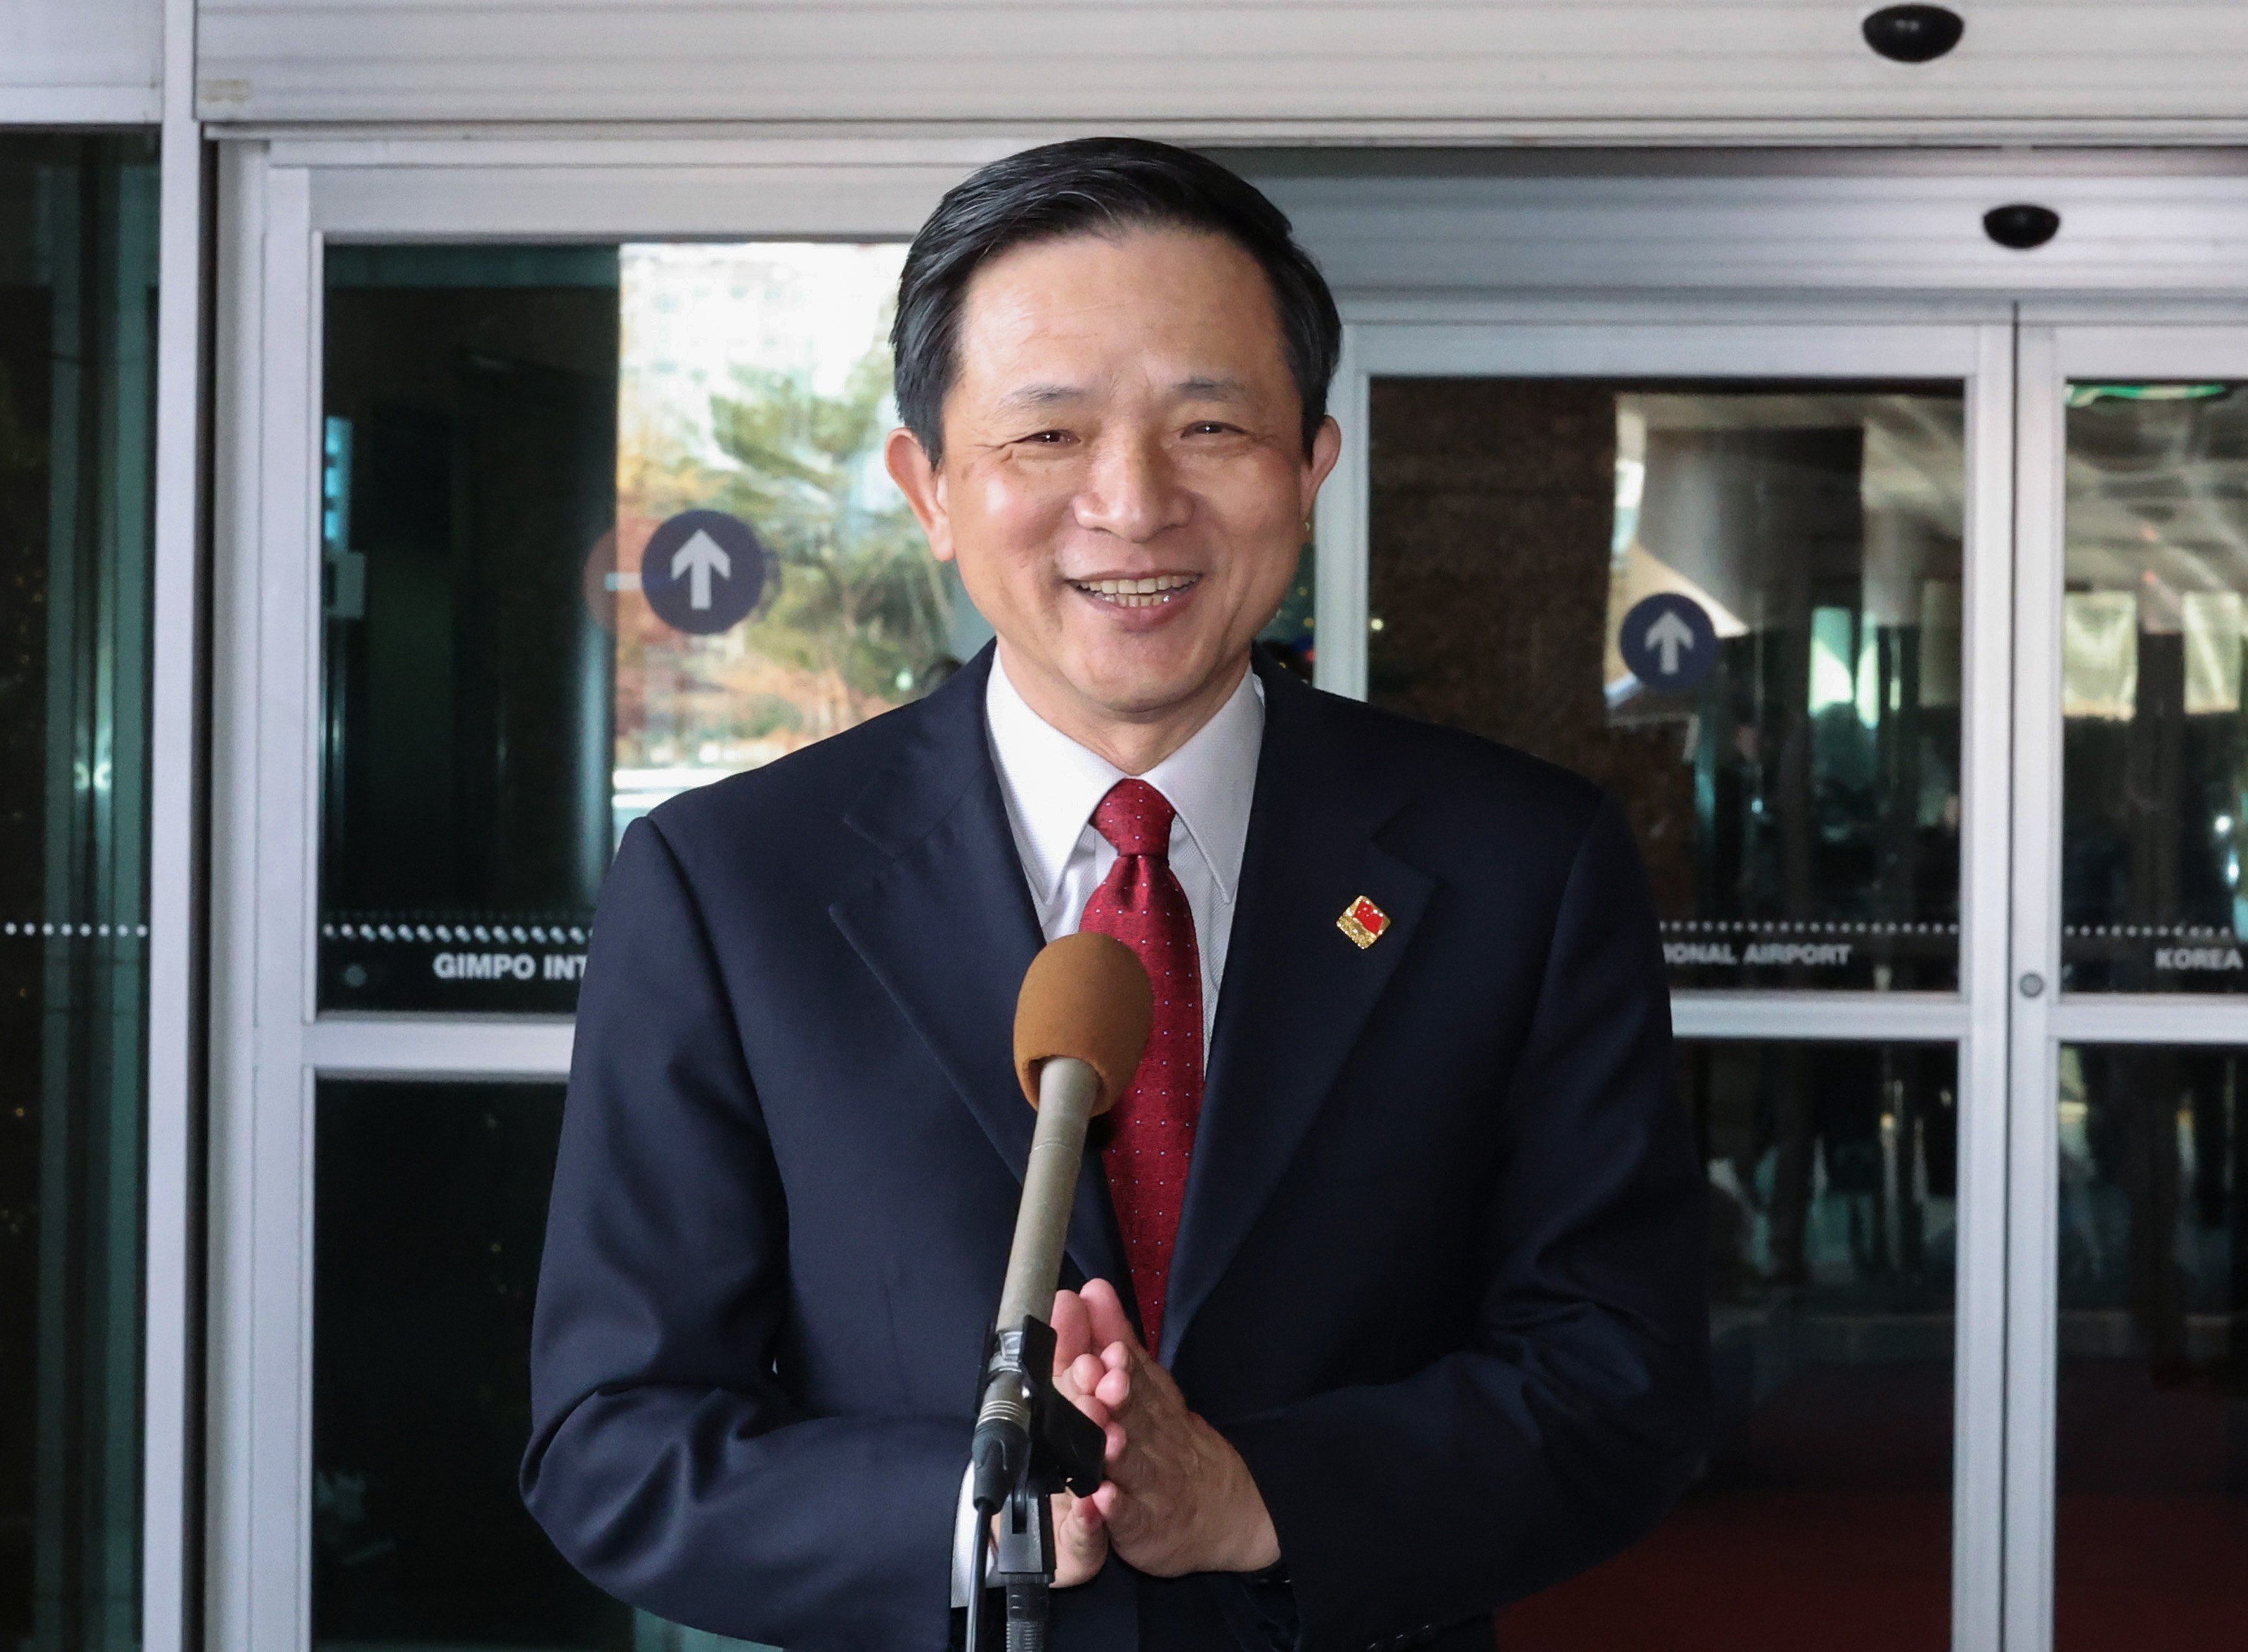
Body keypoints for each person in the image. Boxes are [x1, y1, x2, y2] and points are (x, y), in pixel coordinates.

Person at [523, 137, 1710, 1652]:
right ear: (931, 487)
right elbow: (614, 1442)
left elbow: (1623, 1375)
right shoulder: (730, 887)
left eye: (1208, 423)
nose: (1133, 505)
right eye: (1048, 436)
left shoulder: (1518, 866)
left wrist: (1256, 1497)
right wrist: (979, 1511)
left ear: (1310, 468)